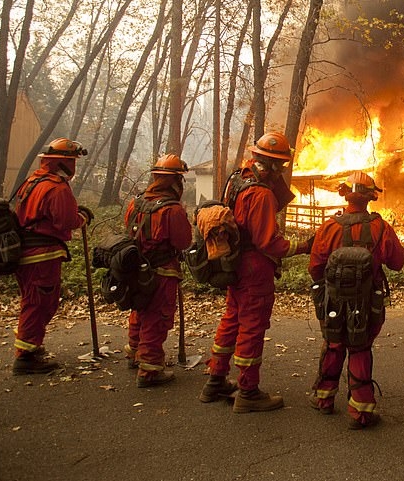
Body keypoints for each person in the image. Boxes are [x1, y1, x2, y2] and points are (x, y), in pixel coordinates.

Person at [200, 132, 312, 412]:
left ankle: (215, 380)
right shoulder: (261, 194)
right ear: (274, 166)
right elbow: (268, 243)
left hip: (234, 264)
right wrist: (303, 246)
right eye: (282, 166)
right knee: (251, 328)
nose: (283, 171)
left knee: (231, 320)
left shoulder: (238, 179)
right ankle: (248, 392)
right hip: (254, 268)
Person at [307, 171, 404, 429]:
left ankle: (323, 399)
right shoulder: (380, 227)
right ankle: (360, 411)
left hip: (333, 301)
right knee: (359, 348)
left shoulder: (329, 227)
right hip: (367, 302)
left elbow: (315, 267)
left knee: (333, 343)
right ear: (370, 197)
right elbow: (398, 263)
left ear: (345, 194)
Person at [12, 138, 91, 375]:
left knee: (32, 300)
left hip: (26, 253)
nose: (74, 167)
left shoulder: (32, 182)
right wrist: (82, 218)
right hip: (42, 255)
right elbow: (65, 220)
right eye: (72, 162)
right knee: (40, 303)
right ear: (63, 163)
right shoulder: (56, 187)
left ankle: (30, 347)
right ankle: (26, 357)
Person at [123, 154, 193, 388]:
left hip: (135, 268)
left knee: (140, 309)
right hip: (162, 272)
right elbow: (183, 241)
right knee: (157, 316)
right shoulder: (172, 210)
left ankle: (134, 351)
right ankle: (150, 368)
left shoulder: (136, 202)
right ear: (174, 182)